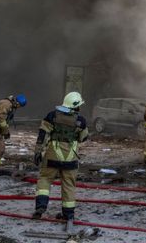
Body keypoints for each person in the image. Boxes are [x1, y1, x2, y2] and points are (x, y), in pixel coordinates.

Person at [32, 91, 89, 233]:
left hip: (52, 156)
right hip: (70, 158)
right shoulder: (81, 121)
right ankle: (68, 214)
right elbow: (83, 138)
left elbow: (42, 135)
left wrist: (38, 152)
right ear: (75, 106)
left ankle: (41, 206)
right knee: (69, 185)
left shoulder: (52, 116)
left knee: (45, 178)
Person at [0, 93, 27, 176]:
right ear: (17, 103)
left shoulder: (8, 104)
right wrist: (5, 132)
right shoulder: (6, 104)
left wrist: (5, 131)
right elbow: (1, 118)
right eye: (19, 106)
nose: (18, 108)